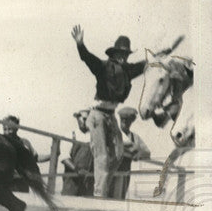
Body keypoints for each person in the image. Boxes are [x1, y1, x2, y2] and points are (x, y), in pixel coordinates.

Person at [71, 26, 178, 199]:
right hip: (97, 115)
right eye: (120, 54)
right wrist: (80, 44)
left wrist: (162, 52)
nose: (123, 57)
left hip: (110, 116)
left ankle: (102, 186)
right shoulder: (103, 67)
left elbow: (147, 63)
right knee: (102, 156)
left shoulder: (128, 70)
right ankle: (99, 195)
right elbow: (87, 58)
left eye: (126, 54)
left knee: (119, 154)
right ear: (113, 54)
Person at [114, 106, 151, 200]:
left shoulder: (134, 137)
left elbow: (147, 152)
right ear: (120, 120)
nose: (125, 123)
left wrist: (139, 153)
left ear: (131, 122)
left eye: (128, 121)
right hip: (110, 170)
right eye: (123, 120)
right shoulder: (113, 134)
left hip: (124, 173)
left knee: (119, 199)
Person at [61, 110, 95, 197]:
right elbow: (64, 158)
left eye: (87, 118)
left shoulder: (94, 137)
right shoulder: (70, 135)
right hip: (72, 179)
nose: (84, 121)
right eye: (82, 118)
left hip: (88, 180)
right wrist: (77, 170)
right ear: (77, 119)